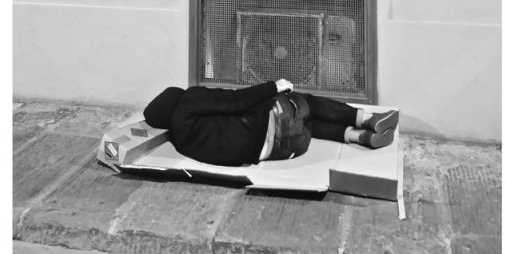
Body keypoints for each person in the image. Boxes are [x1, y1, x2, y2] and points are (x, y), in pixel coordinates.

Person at [143, 78, 398, 168]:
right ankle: (367, 119)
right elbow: (235, 101)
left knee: (304, 124)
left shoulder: (180, 142)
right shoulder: (189, 100)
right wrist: (273, 86)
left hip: (286, 150)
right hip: (276, 122)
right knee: (306, 104)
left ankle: (358, 137)